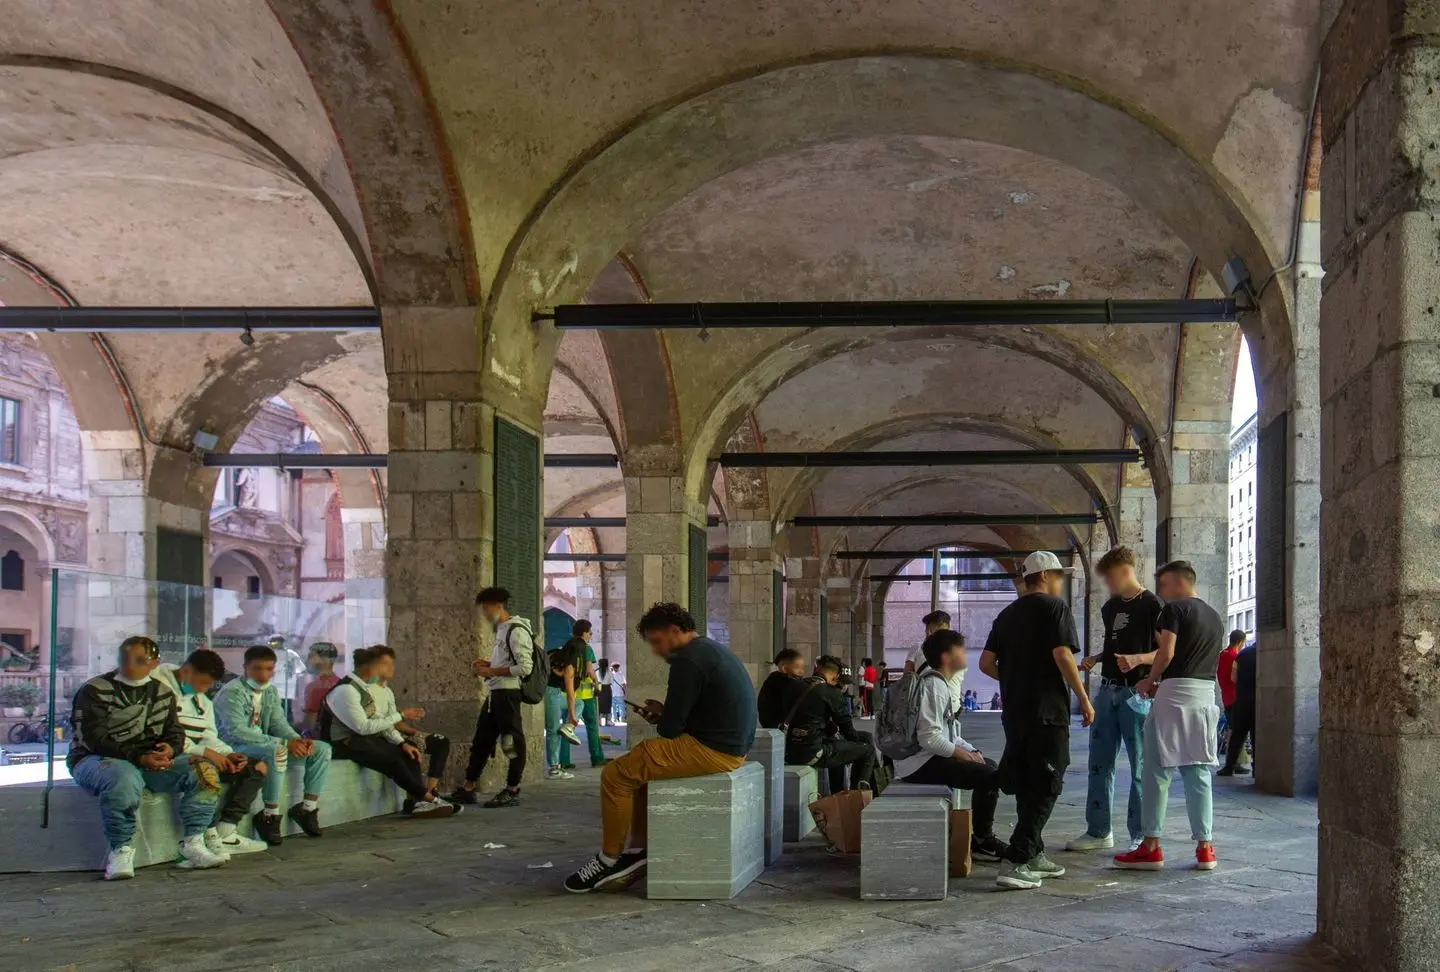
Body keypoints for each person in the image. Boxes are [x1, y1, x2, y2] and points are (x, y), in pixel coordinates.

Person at [564, 602, 756, 893]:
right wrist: (665, 713)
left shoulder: (688, 660)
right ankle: (638, 851)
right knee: (639, 772)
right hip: (731, 747)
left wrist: (664, 717)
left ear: (674, 631)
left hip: (715, 750)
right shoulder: (709, 650)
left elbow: (670, 730)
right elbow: (692, 716)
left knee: (615, 776)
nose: (656, 651)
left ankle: (607, 859)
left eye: (656, 642)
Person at [980, 550, 1093, 890]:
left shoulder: (1006, 615)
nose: (1060, 581)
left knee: (1029, 780)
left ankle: (1035, 853)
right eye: (1058, 575)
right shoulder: (1054, 607)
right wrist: (1084, 698)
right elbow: (1062, 655)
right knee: (1048, 782)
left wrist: (1015, 677)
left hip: (1015, 711)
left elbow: (986, 663)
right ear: (1043, 575)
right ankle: (1017, 859)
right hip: (1047, 710)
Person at [69, 636, 226, 878]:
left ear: (154, 663)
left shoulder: (162, 692)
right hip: (94, 759)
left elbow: (174, 732)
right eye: (125, 658)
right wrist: (139, 757)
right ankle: (120, 849)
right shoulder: (95, 689)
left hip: (146, 761)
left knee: (202, 771)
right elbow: (92, 738)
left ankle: (194, 842)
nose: (130, 664)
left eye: (140, 660)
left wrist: (170, 750)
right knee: (123, 777)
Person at [1114, 560, 1224, 872]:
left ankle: (1150, 846)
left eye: (1163, 585)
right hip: (1204, 696)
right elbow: (1193, 664)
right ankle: (1205, 847)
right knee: (1198, 772)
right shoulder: (1215, 617)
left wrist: (1150, 681)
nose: (1161, 592)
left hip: (1173, 699)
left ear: (1177, 583)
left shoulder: (1174, 610)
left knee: (1157, 771)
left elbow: (1168, 652)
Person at [1067, 545, 1164, 853]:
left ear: (1125, 571)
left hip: (1136, 693)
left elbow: (1166, 651)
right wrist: (1097, 657)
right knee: (1099, 762)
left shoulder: (1153, 605)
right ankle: (1098, 830)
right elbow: (1115, 645)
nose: (1107, 584)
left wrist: (1138, 660)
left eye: (1109, 578)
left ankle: (1139, 834)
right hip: (1106, 690)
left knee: (1140, 766)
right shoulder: (1110, 608)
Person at [894, 630, 1008, 862]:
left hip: (925, 757)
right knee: (988, 774)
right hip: (918, 764)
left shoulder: (939, 683)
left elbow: (949, 733)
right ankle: (983, 839)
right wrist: (963, 756)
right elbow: (930, 739)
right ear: (946, 657)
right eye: (961, 650)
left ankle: (982, 836)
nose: (966, 654)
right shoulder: (934, 686)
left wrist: (971, 750)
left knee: (990, 765)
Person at [153, 648, 271, 858]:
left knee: (256, 768)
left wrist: (227, 753)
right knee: (203, 769)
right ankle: (196, 838)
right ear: (187, 671)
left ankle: (226, 831)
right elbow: (163, 736)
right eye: (203, 683)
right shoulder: (157, 690)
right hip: (170, 758)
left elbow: (210, 735)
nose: (204, 689)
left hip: (200, 754)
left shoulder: (202, 701)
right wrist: (206, 752)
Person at [215, 644, 332, 845]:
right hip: (233, 747)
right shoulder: (232, 692)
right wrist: (284, 743)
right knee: (276, 751)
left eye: (269, 669)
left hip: (263, 744)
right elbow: (237, 731)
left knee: (322, 749)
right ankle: (269, 815)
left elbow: (278, 723)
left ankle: (307, 809)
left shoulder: (269, 692)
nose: (263, 675)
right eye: (257, 669)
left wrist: (296, 739)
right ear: (245, 668)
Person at [321, 647, 456, 818]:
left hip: (362, 738)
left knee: (409, 752)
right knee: (392, 760)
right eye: (381, 666)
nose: (385, 670)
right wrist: (401, 715)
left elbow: (380, 723)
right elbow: (363, 727)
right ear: (367, 667)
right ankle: (427, 798)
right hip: (343, 742)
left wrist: (402, 743)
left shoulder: (367, 689)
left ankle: (419, 801)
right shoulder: (346, 690)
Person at [450, 587, 534, 808]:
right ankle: (468, 787)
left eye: (487, 609)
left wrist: (493, 671)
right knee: (482, 740)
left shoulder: (516, 631)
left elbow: (525, 667)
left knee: (513, 743)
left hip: (507, 694)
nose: (485, 614)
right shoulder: (502, 629)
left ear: (498, 606)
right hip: (495, 693)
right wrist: (489, 665)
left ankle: (512, 789)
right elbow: (507, 662)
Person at [779, 654, 876, 794]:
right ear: (835, 677)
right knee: (868, 751)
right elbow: (848, 731)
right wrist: (855, 746)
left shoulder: (794, 686)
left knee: (846, 744)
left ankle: (840, 792)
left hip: (787, 750)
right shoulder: (831, 693)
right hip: (811, 752)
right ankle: (857, 795)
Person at [370, 644, 455, 799]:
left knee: (441, 741)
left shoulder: (387, 691)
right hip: (382, 738)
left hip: (396, 734)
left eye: (392, 664)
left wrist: (414, 732)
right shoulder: (368, 690)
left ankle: (431, 791)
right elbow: (379, 724)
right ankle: (416, 798)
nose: (391, 668)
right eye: (385, 664)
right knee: (412, 748)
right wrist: (403, 735)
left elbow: (395, 721)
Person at [560, 620, 607, 769]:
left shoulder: (568, 646)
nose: (591, 636)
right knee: (592, 726)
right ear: (584, 632)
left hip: (568, 694)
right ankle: (597, 758)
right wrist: (597, 682)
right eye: (590, 633)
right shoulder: (586, 648)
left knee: (567, 727)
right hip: (585, 696)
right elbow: (589, 670)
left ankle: (564, 761)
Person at [545, 623, 585, 780]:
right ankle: (554, 768)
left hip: (552, 693)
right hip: (549, 694)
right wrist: (573, 718)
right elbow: (570, 694)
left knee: (579, 703)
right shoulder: (569, 665)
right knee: (553, 729)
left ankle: (567, 728)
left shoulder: (558, 655)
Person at [1218, 640, 1257, 778]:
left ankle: (1229, 767)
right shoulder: (1263, 654)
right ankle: (1257, 769)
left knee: (1237, 736)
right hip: (1258, 700)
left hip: (1240, 700)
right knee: (1256, 736)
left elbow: (1233, 678)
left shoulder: (1242, 654)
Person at [1215, 629, 1247, 774]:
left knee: (1232, 729)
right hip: (1236, 697)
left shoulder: (1222, 655)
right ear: (1240, 642)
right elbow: (1236, 678)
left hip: (1226, 697)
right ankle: (1233, 763)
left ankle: (1234, 762)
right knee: (1237, 731)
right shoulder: (1236, 657)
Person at [299, 641, 341, 738]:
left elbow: (310, 726)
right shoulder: (341, 682)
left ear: (324, 660)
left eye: (311, 656)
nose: (307, 660)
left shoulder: (315, 687)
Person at [757, 647, 805, 729]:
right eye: (798, 668)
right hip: (782, 728)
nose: (802, 671)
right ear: (785, 668)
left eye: (802, 668)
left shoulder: (771, 681)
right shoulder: (782, 684)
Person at [268, 636, 307, 724]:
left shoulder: (271, 656)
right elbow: (301, 669)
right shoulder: (292, 654)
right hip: (288, 691)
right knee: (287, 713)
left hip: (275, 691)